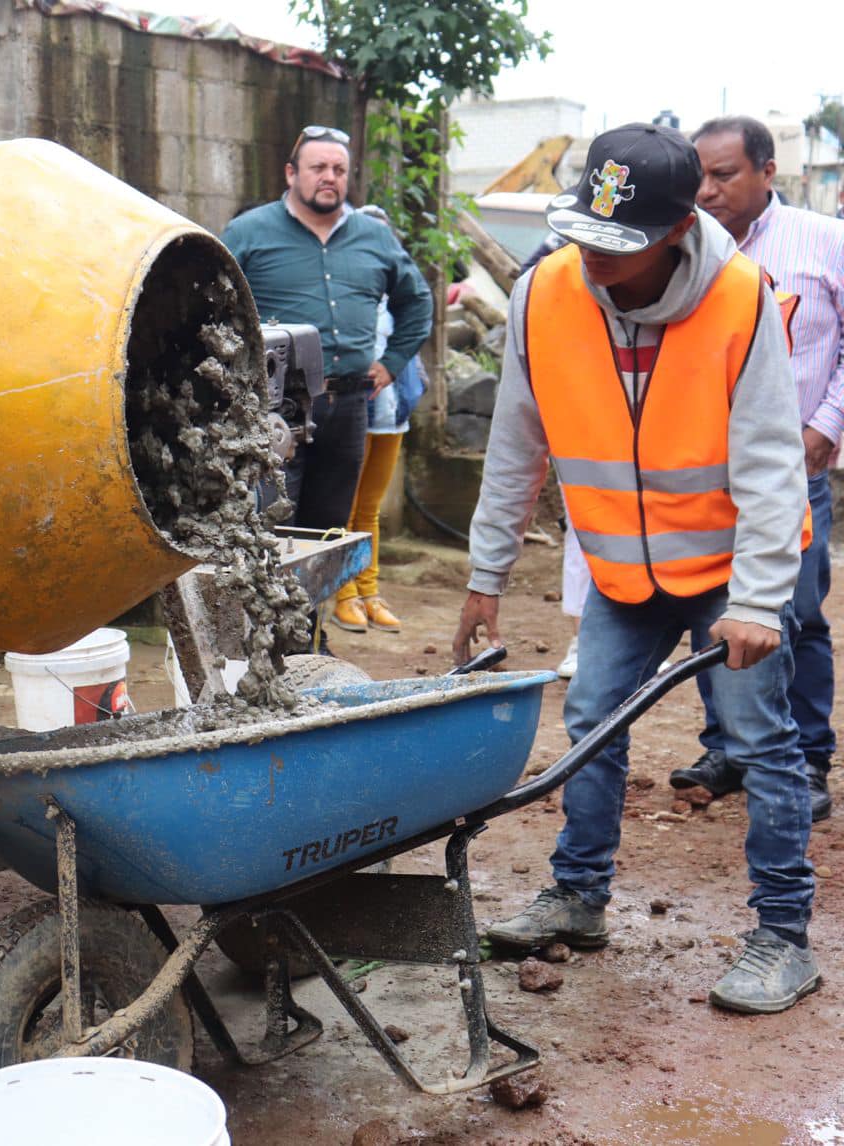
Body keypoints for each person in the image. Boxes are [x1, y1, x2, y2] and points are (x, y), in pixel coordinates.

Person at [453, 124, 820, 1014]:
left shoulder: (740, 300)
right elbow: (515, 446)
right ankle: (578, 897)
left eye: (618, 243)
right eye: (584, 231)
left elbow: (774, 459)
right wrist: (484, 574)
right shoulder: (545, 295)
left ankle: (783, 935)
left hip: (733, 572)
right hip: (624, 572)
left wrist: (762, 600)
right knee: (590, 724)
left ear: (676, 230)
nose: (590, 256)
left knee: (761, 742)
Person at [669, 116, 844, 823]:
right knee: (712, 611)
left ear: (768, 171)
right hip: (704, 474)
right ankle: (731, 747)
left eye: (724, 175)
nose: (708, 191)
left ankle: (805, 758)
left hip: (790, 468)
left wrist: (824, 427)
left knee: (792, 612)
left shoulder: (822, 241)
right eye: (700, 177)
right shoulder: (685, 248)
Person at [221, 125, 432, 544]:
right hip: (273, 409)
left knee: (327, 535)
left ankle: (312, 612)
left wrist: (392, 363)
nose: (329, 177)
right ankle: (264, 611)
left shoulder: (374, 237)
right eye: (318, 167)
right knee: (267, 531)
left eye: (339, 169)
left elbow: (418, 302)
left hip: (349, 407)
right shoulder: (248, 233)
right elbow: (209, 305)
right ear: (291, 174)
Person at [329, 203, 428, 633]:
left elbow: (415, 325)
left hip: (390, 411)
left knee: (368, 509)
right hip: (352, 407)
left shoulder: (398, 293)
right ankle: (342, 594)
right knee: (342, 508)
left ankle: (369, 592)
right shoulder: (344, 287)